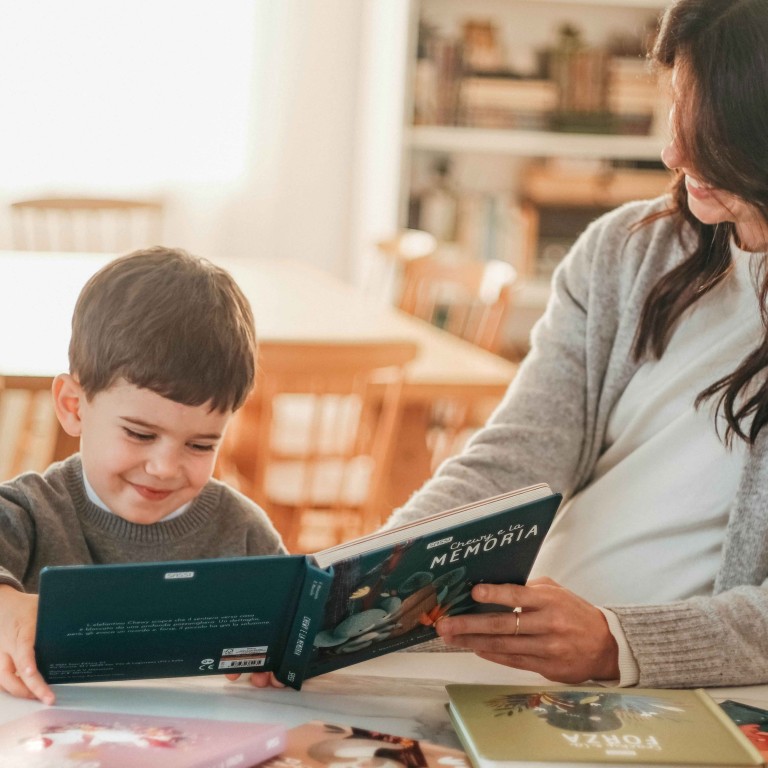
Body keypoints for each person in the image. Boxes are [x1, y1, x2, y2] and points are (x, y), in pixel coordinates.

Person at [385, 0, 768, 689]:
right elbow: (514, 459)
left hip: (673, 695)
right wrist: (365, 579)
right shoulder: (624, 251)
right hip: (522, 657)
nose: (674, 153)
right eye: (676, 108)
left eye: (710, 129)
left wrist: (618, 643)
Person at [0, 247, 285, 704]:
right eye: (139, 434)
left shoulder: (245, 534)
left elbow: (292, 630)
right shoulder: (28, 512)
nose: (165, 468)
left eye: (201, 445)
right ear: (74, 407)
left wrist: (286, 654)